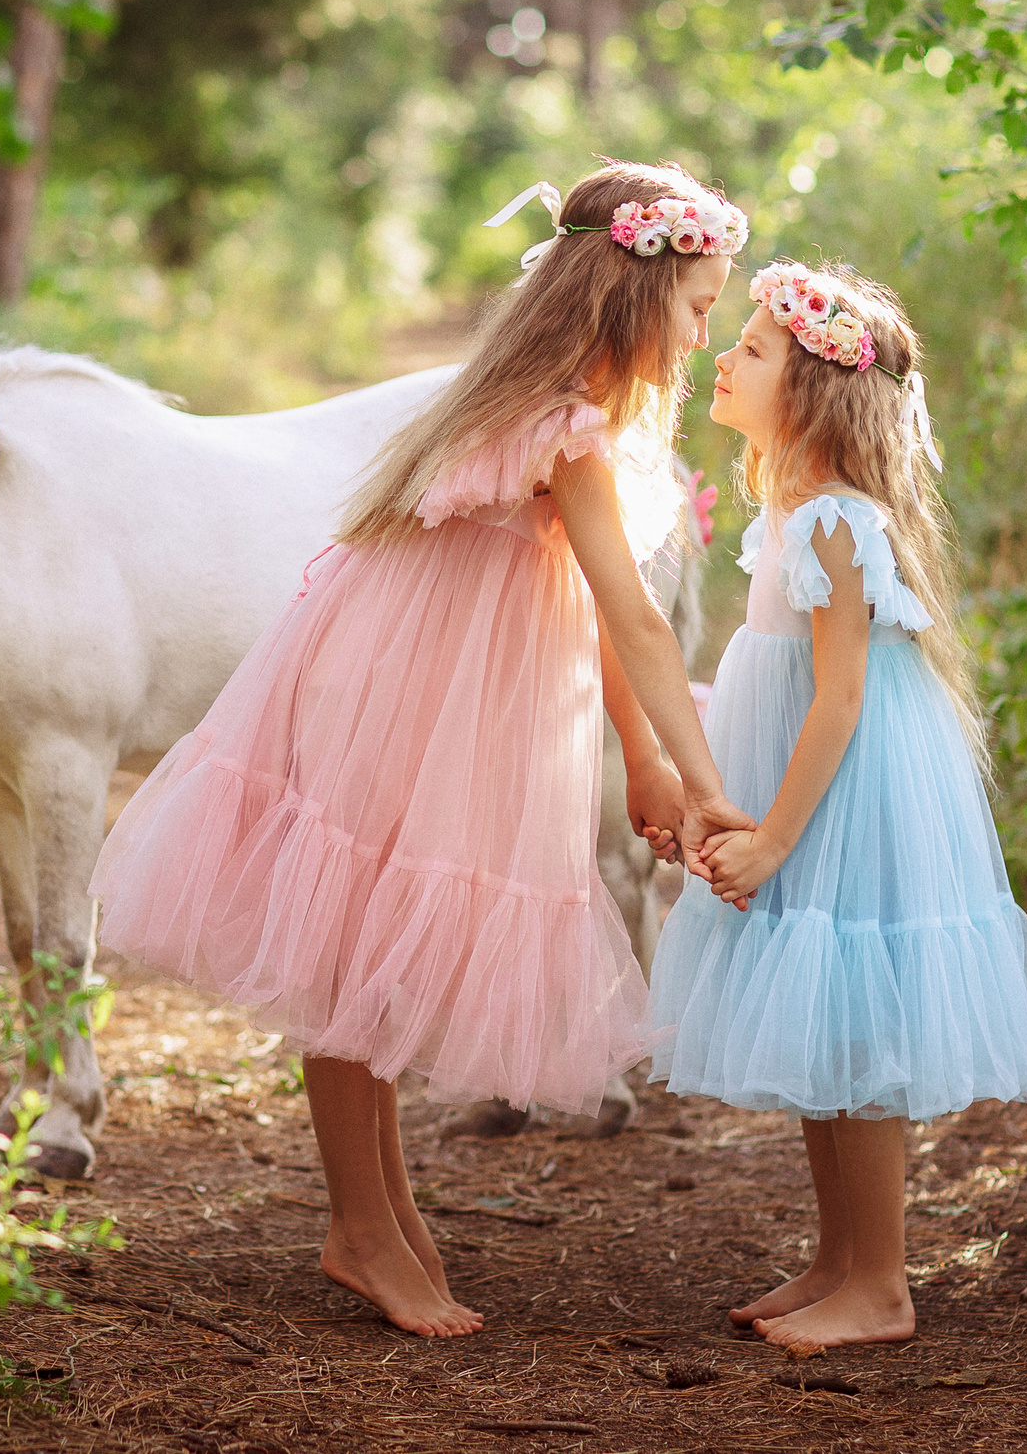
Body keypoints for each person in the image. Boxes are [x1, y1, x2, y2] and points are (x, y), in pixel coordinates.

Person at [90, 163, 756, 1338]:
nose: (706, 333)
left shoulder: (582, 416)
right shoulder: (559, 421)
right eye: (699, 304)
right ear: (632, 290)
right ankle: (358, 1224)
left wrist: (643, 765)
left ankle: (385, 1211)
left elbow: (601, 617)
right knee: (356, 940)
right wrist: (705, 786)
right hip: (401, 687)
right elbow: (636, 617)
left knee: (378, 938)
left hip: (437, 687)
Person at [648, 259, 1027, 1354]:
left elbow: (838, 695)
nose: (723, 360)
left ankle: (880, 1282)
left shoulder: (836, 518)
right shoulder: (791, 506)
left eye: (752, 350)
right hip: (803, 767)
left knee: (855, 1009)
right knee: (816, 1004)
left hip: (845, 786)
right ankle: (836, 1257)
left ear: (817, 388)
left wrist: (776, 835)